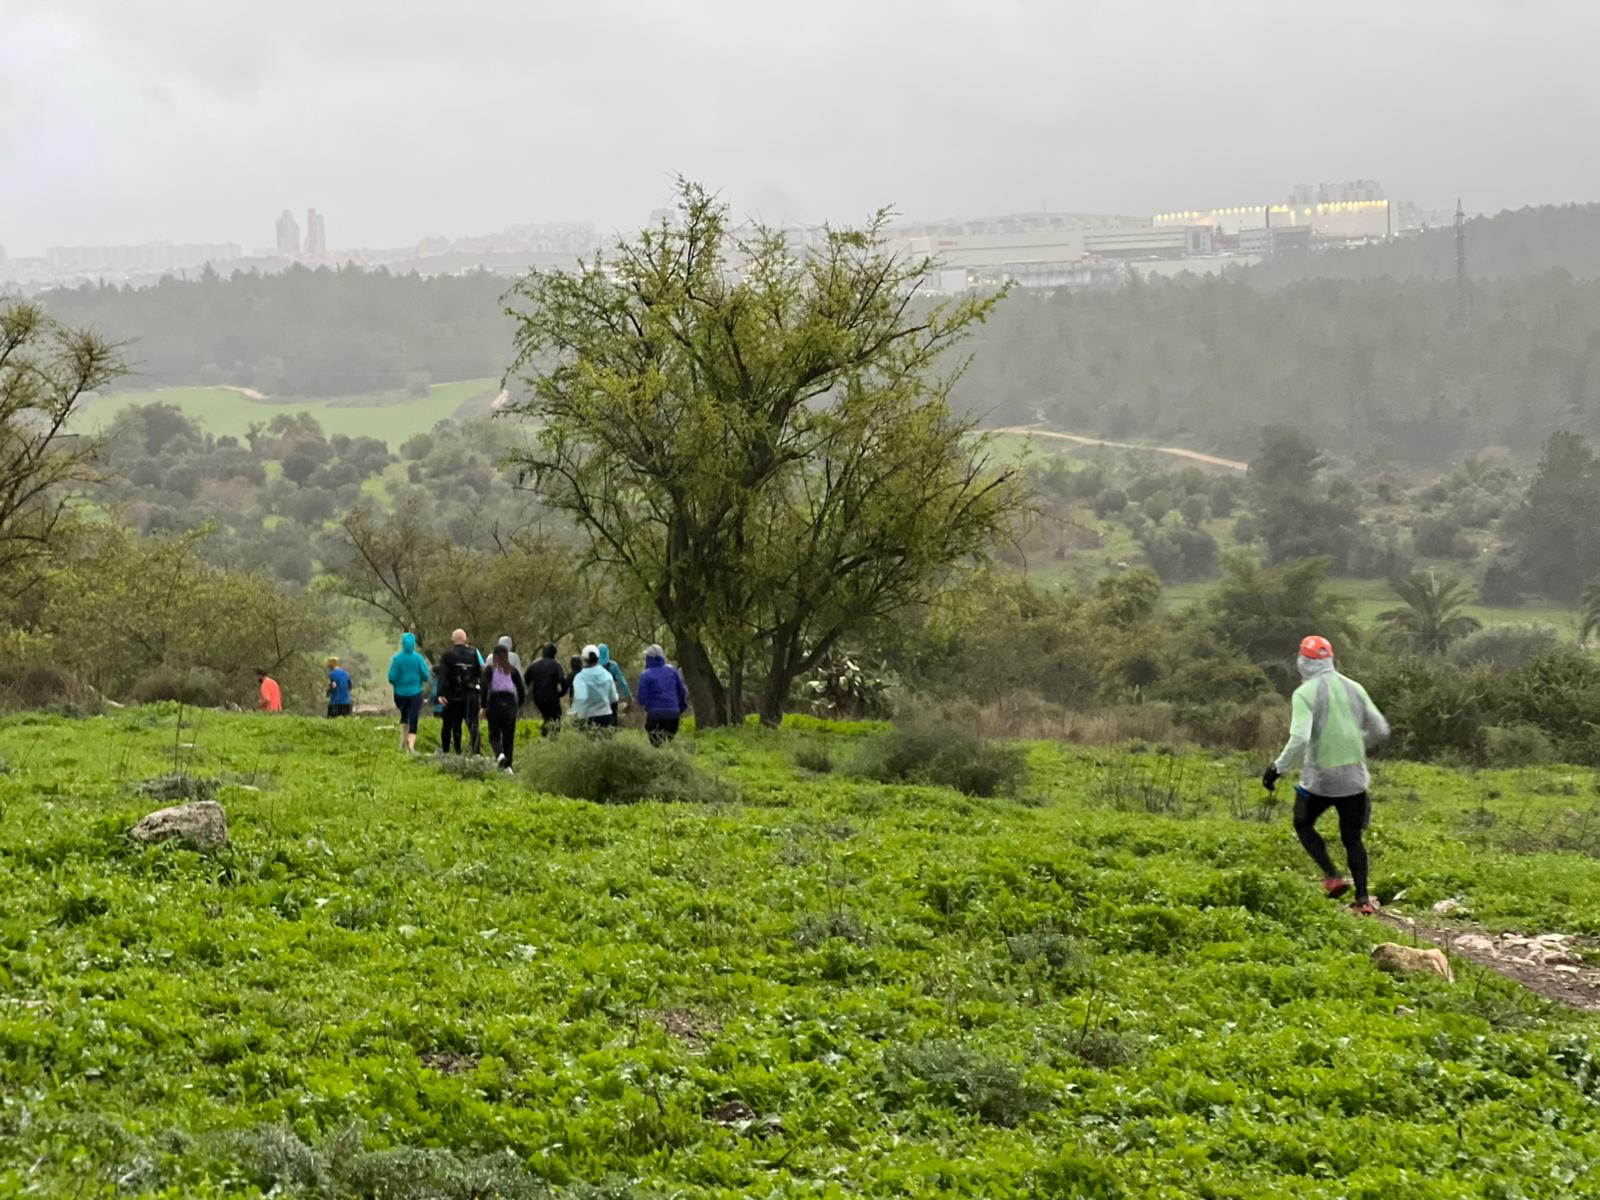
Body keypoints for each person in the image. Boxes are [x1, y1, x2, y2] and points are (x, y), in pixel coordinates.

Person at [1263, 635, 1390, 915]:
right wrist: (1356, 744)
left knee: (1302, 822)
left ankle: (1332, 876)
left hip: (1319, 780)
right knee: (1352, 839)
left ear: (1304, 662)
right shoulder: (1355, 687)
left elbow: (1299, 738)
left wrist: (1277, 768)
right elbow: (1380, 729)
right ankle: (1363, 899)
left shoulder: (1304, 693)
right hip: (1355, 779)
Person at [438, 628, 484, 756]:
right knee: (473, 725)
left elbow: (442, 675)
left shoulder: (447, 655)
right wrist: (481, 691)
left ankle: (448, 751)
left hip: (453, 695)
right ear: (466, 639)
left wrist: (440, 693)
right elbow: (480, 673)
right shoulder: (474, 653)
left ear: (453, 640)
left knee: (449, 724)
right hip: (471, 695)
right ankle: (476, 753)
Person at [481, 643, 526, 773]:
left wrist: (483, 705)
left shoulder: (489, 670)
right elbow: (521, 688)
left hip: (495, 702)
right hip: (510, 703)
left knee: (494, 735)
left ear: (494, 656)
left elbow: (484, 688)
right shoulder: (512, 670)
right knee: (508, 737)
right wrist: (519, 704)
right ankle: (508, 767)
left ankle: (499, 754)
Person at [386, 631, 432, 753]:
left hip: (399, 694)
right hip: (415, 693)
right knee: (414, 717)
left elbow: (391, 677)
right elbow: (425, 675)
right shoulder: (418, 658)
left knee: (404, 715)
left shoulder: (397, 659)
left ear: (402, 643)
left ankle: (402, 742)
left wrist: (398, 684)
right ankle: (411, 747)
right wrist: (419, 680)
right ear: (414, 644)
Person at [634, 644, 689, 745]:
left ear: (649, 659)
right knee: (668, 742)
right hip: (673, 715)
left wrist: (647, 705)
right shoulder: (673, 671)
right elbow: (682, 691)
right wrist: (681, 707)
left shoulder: (646, 675)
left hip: (655, 715)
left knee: (656, 744)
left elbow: (641, 699)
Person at [569, 644, 619, 731]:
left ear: (584, 659)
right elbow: (613, 698)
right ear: (598, 658)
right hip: (605, 716)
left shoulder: (579, 677)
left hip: (586, 718)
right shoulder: (607, 675)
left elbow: (579, 700)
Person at [525, 642, 568, 737]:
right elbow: (562, 680)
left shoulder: (534, 665)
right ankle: (552, 738)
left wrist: (531, 690)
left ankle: (545, 735)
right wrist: (562, 692)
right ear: (554, 653)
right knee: (555, 718)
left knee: (547, 716)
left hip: (538, 698)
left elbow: (526, 678)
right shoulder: (556, 665)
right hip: (552, 697)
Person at [598, 643, 632, 718]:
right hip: (612, 697)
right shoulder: (613, 666)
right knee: (613, 719)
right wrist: (629, 696)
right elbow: (622, 682)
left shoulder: (594, 666)